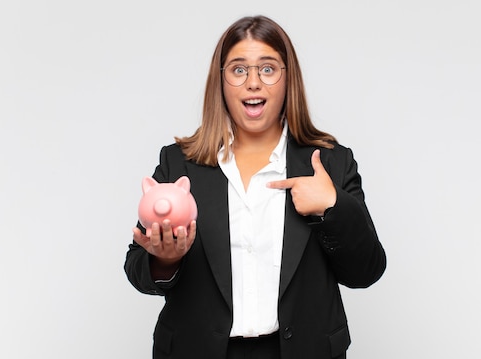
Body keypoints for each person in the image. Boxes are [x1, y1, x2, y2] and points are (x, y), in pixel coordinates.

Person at [124, 15, 386, 359]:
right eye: (238, 69)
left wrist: (332, 206)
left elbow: (366, 271)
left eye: (267, 69)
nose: (253, 83)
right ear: (221, 82)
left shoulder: (330, 163)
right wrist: (165, 261)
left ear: (287, 78)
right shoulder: (179, 164)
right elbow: (138, 268)